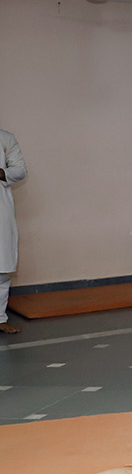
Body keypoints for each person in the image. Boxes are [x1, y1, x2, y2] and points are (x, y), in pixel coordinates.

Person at [0, 129, 26, 334]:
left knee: (0, 269)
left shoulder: (5, 138)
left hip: (1, 211)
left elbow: (20, 170)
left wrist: (2, 173)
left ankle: (0, 319)